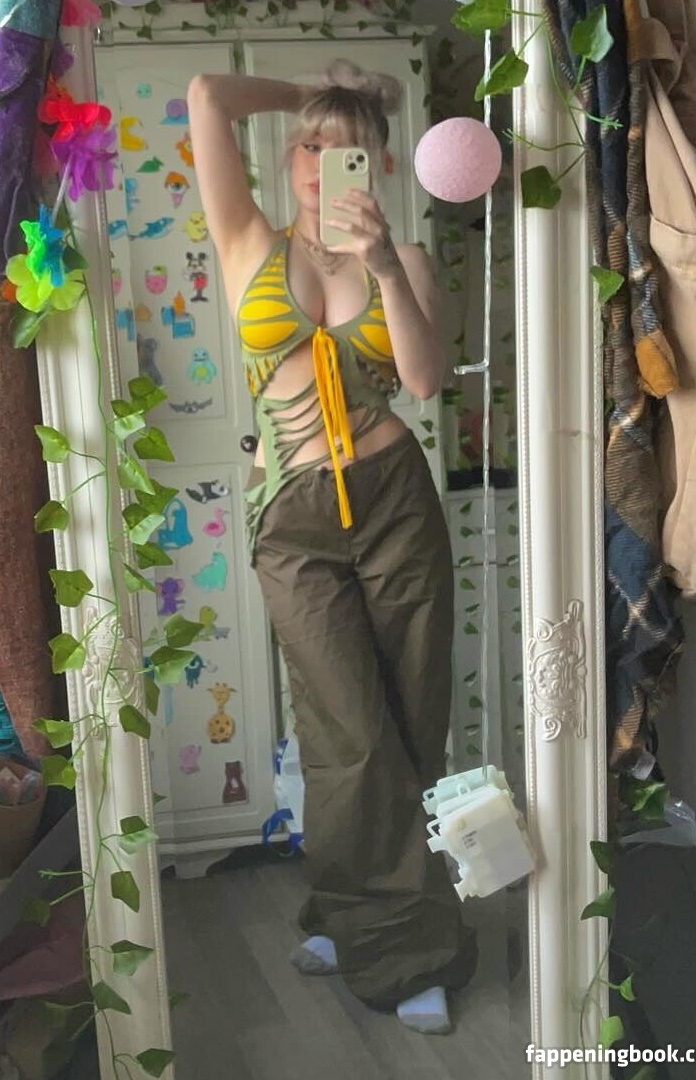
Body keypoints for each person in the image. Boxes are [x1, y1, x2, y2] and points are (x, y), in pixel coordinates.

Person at [186, 58, 475, 1034]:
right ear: (289, 156)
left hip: (395, 501)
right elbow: (208, 98)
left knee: (408, 721)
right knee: (345, 734)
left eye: (346, 148)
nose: (321, 162)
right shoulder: (248, 240)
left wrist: (386, 265)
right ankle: (402, 947)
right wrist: (312, 90)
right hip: (295, 518)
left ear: (380, 165)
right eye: (310, 145)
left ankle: (348, 916)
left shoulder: (406, 260)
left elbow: (426, 383)